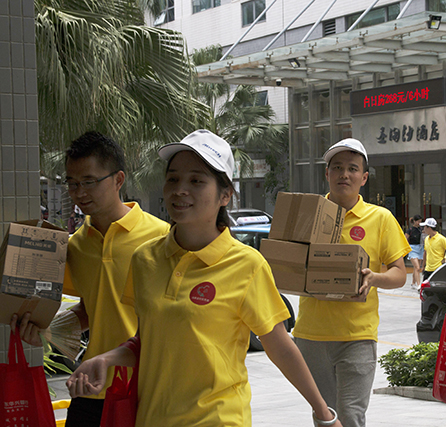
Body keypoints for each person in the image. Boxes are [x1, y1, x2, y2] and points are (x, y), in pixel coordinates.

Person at [65, 129, 342, 427]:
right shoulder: (145, 259)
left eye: (196, 181)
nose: (180, 189)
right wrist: (107, 359)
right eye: (173, 179)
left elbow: (280, 347)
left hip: (218, 418)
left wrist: (323, 413)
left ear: (225, 195)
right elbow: (149, 341)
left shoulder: (246, 264)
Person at [12, 131, 171, 426]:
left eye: (89, 182)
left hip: (147, 387)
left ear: (118, 179)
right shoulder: (73, 246)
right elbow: (92, 308)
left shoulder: (163, 237)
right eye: (72, 183)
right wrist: (43, 328)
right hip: (90, 385)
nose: (79, 192)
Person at [293, 138, 411, 427]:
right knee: (324, 416)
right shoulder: (309, 213)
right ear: (327, 174)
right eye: (337, 168)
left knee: (350, 414)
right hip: (311, 335)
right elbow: (288, 263)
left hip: (357, 334)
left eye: (352, 168)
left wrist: (375, 277)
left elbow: (399, 273)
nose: (344, 174)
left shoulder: (380, 218)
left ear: (364, 177)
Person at [406, 214, 424, 290]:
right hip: (412, 248)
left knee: (416, 268)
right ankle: (418, 284)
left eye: (420, 221)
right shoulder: (410, 230)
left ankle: (413, 283)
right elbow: (405, 239)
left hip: (420, 248)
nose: (419, 223)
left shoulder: (421, 229)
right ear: (414, 221)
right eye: (418, 221)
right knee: (417, 267)